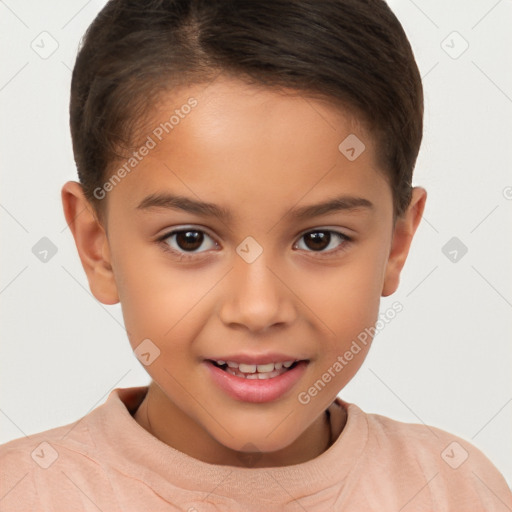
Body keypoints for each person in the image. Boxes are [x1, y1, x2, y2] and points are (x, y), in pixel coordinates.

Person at [1, 0, 510, 510]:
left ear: (397, 243)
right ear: (98, 247)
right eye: (189, 239)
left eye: (319, 239)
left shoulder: (455, 489)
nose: (259, 308)